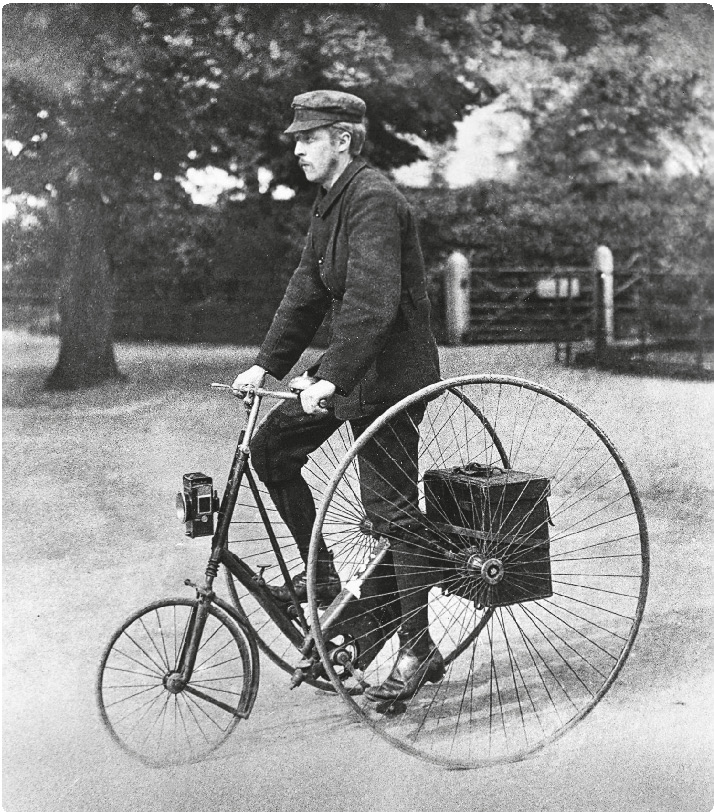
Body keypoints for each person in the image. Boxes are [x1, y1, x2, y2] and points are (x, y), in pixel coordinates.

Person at [232, 90, 442, 702]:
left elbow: (374, 301)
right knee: (272, 450)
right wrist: (266, 365)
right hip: (351, 372)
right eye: (297, 137)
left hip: (392, 377)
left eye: (308, 137)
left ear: (342, 140)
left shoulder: (374, 199)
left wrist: (329, 377)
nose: (297, 148)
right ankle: (322, 578)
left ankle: (416, 646)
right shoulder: (331, 202)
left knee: (392, 513)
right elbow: (308, 288)